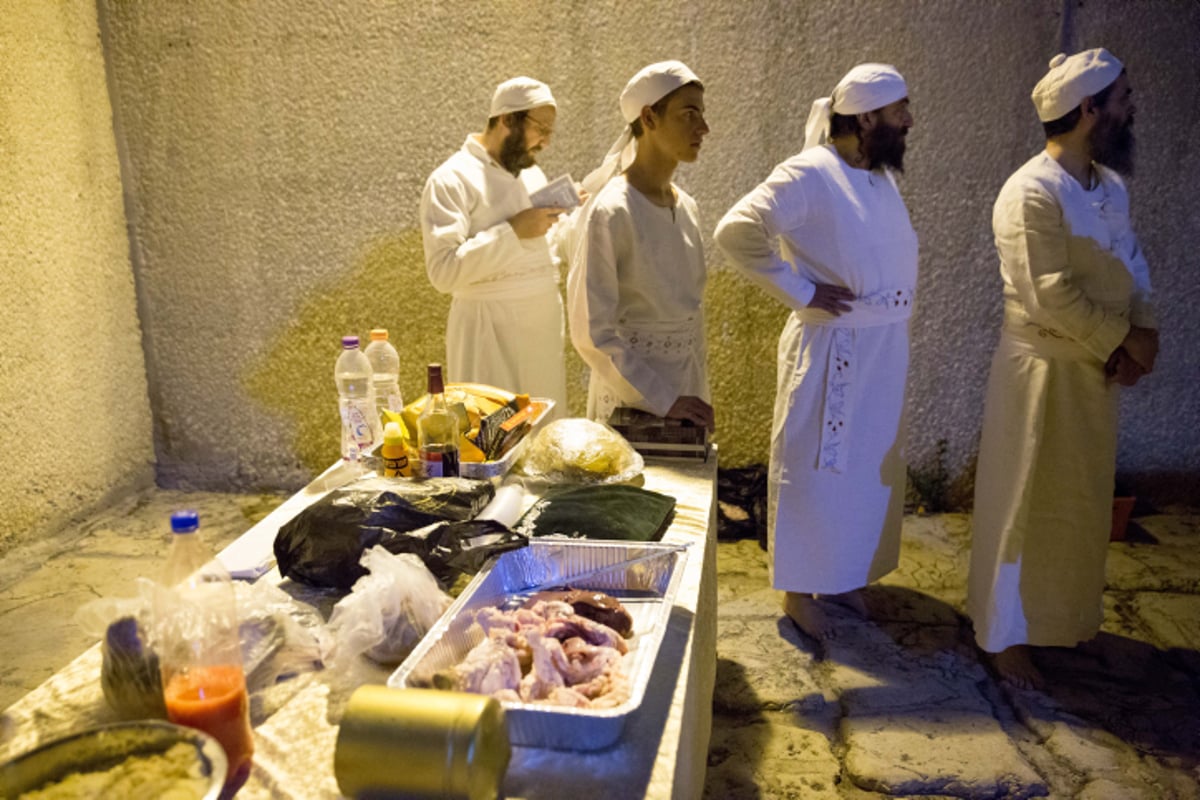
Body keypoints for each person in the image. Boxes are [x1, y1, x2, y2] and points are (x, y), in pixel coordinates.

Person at [966, 48, 1157, 690]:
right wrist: (1121, 340)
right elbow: (1047, 292)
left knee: (1077, 505)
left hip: (1095, 370)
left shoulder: (1110, 185)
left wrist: (1144, 330)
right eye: (1122, 99)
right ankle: (1003, 635)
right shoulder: (1028, 192)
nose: (1132, 110)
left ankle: (1063, 620)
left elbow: (1132, 262)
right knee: (1022, 503)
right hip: (1041, 371)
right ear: (1088, 109)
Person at [714, 64, 916, 640]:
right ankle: (798, 590)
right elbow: (737, 230)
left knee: (860, 473)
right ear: (868, 116)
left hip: (881, 349)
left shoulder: (877, 177)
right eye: (899, 109)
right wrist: (802, 291)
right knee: (813, 466)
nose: (908, 119)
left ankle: (844, 573)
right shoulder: (810, 173)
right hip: (836, 349)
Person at [566, 61, 714, 430]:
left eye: (703, 114)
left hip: (687, 390)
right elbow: (591, 331)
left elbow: (689, 318)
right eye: (689, 114)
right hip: (632, 397)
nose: (703, 128)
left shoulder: (687, 207)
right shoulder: (611, 211)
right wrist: (663, 399)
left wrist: (689, 396)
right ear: (649, 118)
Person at [419, 77, 570, 411]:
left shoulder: (531, 174)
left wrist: (568, 217)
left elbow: (542, 248)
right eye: (540, 128)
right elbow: (443, 272)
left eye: (550, 131)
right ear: (506, 119)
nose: (545, 142)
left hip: (542, 325)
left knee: (545, 436)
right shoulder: (451, 179)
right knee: (491, 434)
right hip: (486, 329)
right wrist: (512, 232)